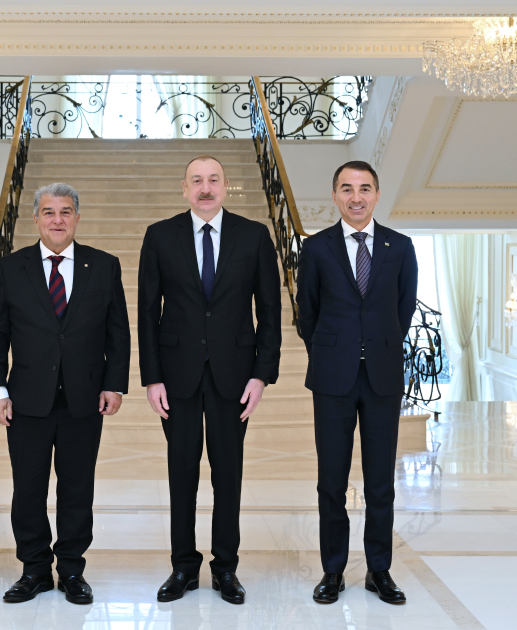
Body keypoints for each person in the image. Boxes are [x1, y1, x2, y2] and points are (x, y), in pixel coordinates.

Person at [138, 156, 281, 605]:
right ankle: (183, 566)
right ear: (184, 188)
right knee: (181, 473)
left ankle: (225, 568)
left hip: (234, 376)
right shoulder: (160, 236)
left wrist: (261, 375)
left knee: (228, 474)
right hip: (176, 376)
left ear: (226, 186)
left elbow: (270, 312)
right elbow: (147, 312)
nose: (205, 188)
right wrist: (152, 377)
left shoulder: (254, 236)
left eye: (213, 180)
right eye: (197, 181)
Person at [0, 182, 130, 605]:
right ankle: (34, 569)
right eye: (49, 212)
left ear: (77, 218)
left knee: (77, 488)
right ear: (36, 218)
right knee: (28, 488)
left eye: (66, 212)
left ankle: (71, 570)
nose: (58, 220)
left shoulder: (104, 266)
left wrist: (113, 383)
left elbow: (118, 332)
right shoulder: (11, 268)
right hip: (26, 400)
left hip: (85, 398)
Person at [295, 161, 418, 605]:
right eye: (346, 188)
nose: (356, 197)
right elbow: (306, 313)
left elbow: (404, 309)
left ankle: (378, 570)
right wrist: (333, 350)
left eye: (364, 188)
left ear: (377, 195)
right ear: (334, 196)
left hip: (382, 376)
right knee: (331, 480)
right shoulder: (317, 248)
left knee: (381, 480)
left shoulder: (400, 246)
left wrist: (376, 345)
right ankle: (332, 571)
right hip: (333, 378)